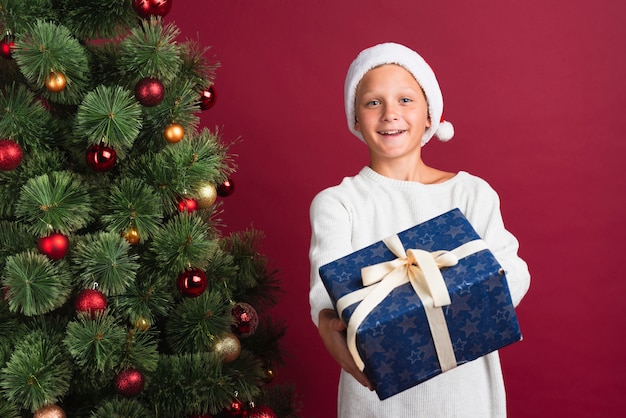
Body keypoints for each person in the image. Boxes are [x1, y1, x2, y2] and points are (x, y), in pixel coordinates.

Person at [308, 42, 530, 417]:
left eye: (406, 100)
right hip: (377, 404)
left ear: (430, 114)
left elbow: (514, 272)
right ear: (356, 119)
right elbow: (326, 293)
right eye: (373, 102)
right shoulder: (339, 202)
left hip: (465, 398)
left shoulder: (470, 193)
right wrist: (329, 324)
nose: (390, 114)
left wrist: (451, 306)